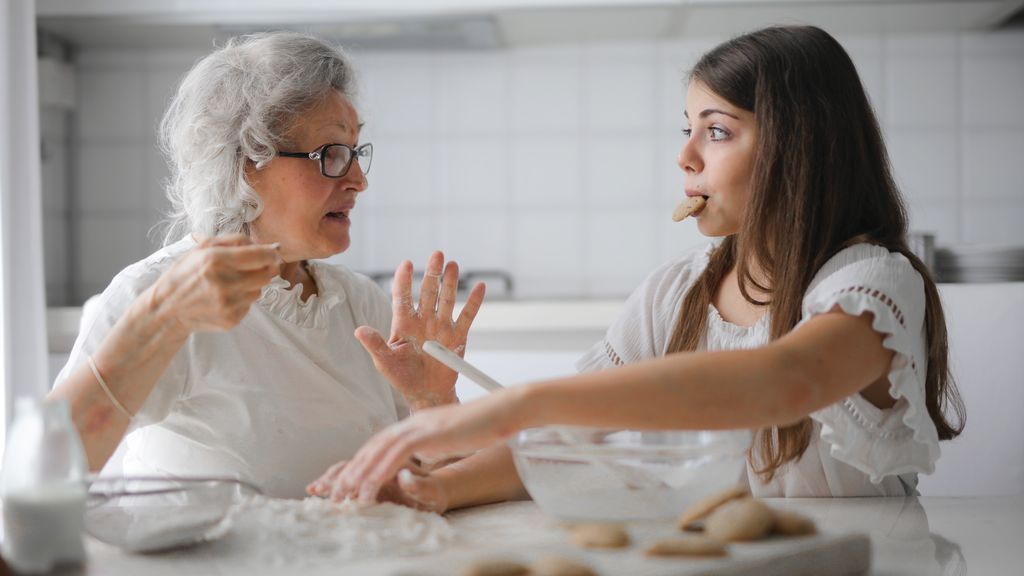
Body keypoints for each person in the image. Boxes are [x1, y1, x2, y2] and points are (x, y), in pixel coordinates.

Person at [309, 25, 966, 508]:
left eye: (716, 130)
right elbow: (569, 440)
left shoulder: (872, 284)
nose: (684, 157)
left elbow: (787, 381)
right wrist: (436, 488)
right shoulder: (675, 293)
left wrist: (522, 400)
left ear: (799, 149)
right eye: (686, 128)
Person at [47, 32, 484, 498]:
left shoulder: (359, 304)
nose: (359, 180)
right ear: (243, 164)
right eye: (331, 155)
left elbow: (429, 488)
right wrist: (160, 319)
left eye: (356, 153)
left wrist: (433, 404)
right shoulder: (157, 293)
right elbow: (48, 465)